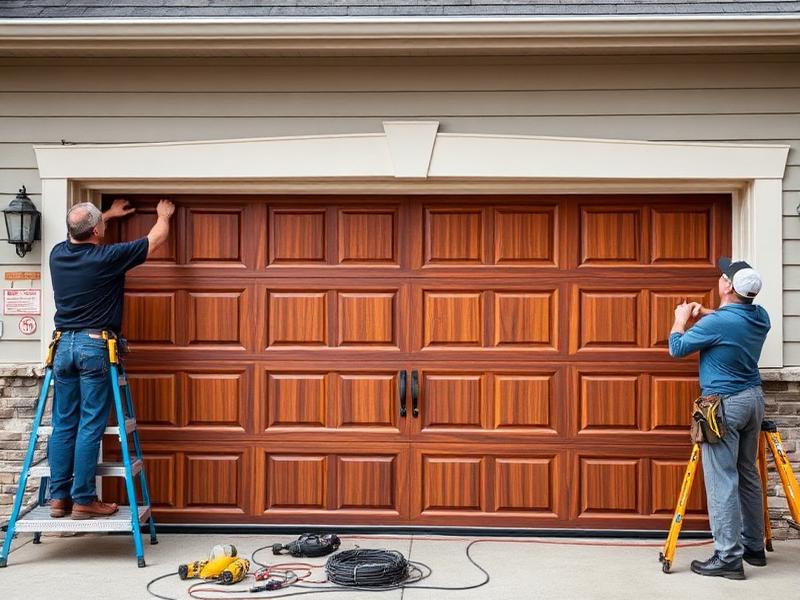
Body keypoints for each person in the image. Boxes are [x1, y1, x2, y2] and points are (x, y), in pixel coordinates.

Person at [47, 198, 175, 520]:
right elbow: (155, 240)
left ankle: (58, 499)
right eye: (100, 224)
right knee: (90, 424)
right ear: (95, 231)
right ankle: (84, 499)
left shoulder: (57, 255)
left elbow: (78, 231)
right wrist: (163, 215)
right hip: (93, 347)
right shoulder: (106, 258)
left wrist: (107, 215)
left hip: (62, 347)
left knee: (63, 424)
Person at [668, 257, 771, 580]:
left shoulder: (718, 324)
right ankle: (753, 547)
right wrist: (709, 312)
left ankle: (727, 557)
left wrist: (680, 319)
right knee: (747, 473)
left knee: (722, 480)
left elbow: (677, 348)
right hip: (753, 401)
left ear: (727, 286)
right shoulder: (760, 316)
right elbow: (732, 320)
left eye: (724, 276)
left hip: (724, 406)